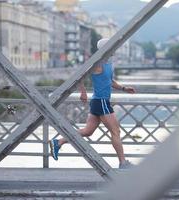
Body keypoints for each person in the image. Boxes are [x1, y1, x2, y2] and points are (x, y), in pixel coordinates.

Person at [49, 38, 136, 169]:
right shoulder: (97, 64)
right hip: (100, 101)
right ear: (106, 48)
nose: (114, 49)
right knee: (115, 131)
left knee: (88, 131)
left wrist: (124, 88)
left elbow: (110, 81)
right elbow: (80, 76)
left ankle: (59, 142)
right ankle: (123, 163)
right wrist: (83, 92)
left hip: (98, 102)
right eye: (112, 47)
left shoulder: (109, 64)